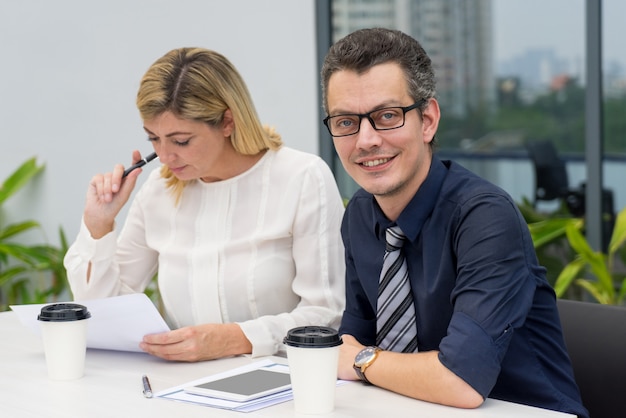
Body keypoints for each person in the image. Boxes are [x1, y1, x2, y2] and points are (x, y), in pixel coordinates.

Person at [321, 28, 588, 418]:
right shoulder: (361, 214)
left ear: (427, 120)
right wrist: (356, 357)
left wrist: (362, 360)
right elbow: (352, 341)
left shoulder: (485, 216)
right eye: (346, 122)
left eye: (387, 116)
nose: (365, 140)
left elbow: (460, 380)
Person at [64, 47, 345, 362]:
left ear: (227, 121)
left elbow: (327, 312)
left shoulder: (303, 178)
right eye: (153, 139)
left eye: (181, 141)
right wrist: (98, 224)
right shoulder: (158, 191)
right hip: (184, 388)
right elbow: (103, 314)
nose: (166, 157)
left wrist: (237, 339)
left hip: (284, 386)